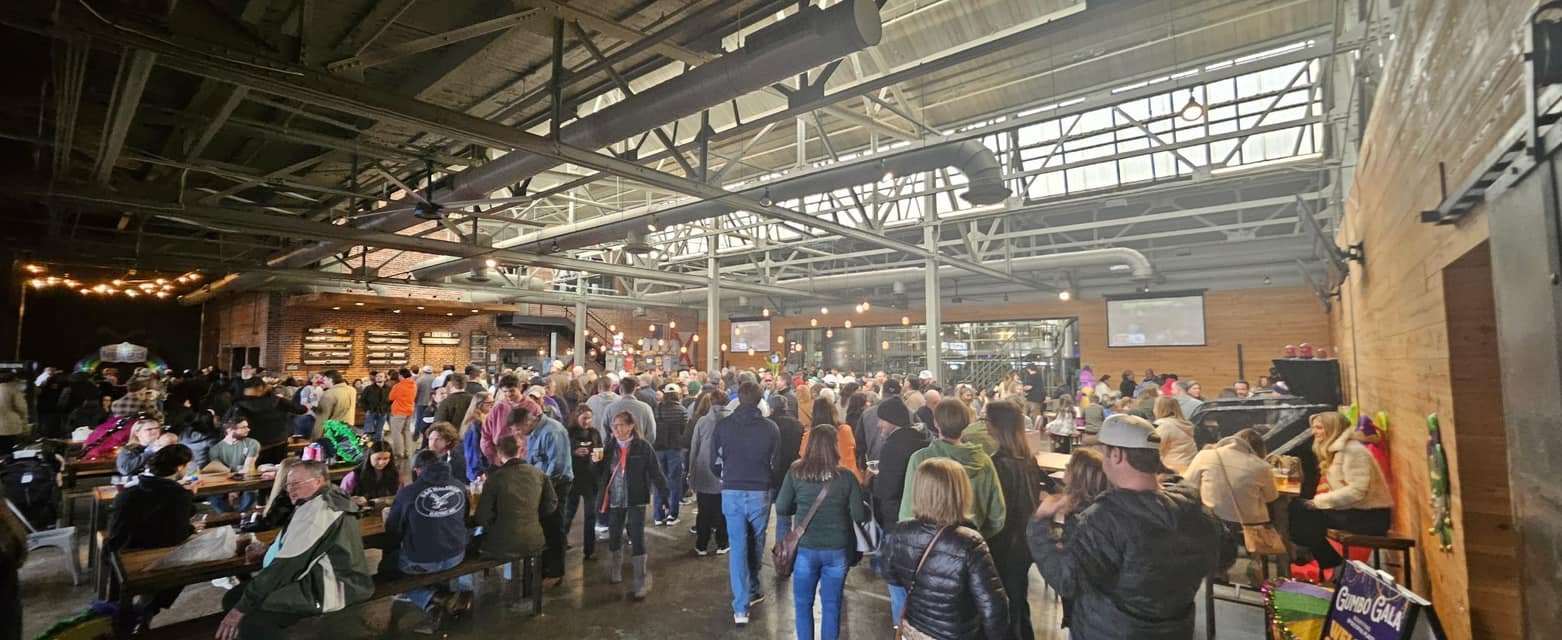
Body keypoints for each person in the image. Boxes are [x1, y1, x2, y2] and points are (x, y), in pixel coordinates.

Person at [1027, 415, 1225, 639]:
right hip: (1176, 630)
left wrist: (1039, 524)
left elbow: (1066, 579)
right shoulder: (1194, 508)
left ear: (1117, 455)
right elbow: (1225, 556)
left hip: (1109, 631)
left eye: (1104, 452)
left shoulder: (1105, 518)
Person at [216, 461, 373, 640]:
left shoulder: (317, 511)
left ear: (318, 481)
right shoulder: (331, 496)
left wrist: (239, 610)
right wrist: (268, 549)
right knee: (240, 598)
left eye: (296, 484)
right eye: (288, 484)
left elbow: (285, 567)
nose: (290, 489)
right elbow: (300, 546)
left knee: (245, 608)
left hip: (332, 590)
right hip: (346, 580)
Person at [880, 458, 1008, 639]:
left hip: (915, 631)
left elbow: (889, 573)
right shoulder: (970, 543)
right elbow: (994, 609)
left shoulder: (901, 531)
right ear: (960, 492)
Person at [775, 425, 869, 640]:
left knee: (802, 605)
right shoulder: (846, 477)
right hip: (837, 550)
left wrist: (799, 506)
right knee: (832, 606)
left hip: (805, 549)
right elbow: (858, 515)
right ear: (835, 446)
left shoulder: (796, 472)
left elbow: (781, 508)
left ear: (810, 446)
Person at [710, 382, 780, 626]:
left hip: (731, 490)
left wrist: (726, 477)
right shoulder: (770, 428)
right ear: (761, 400)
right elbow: (777, 462)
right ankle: (753, 586)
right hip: (759, 490)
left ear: (738, 399)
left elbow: (713, 461)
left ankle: (740, 607)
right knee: (757, 540)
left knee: (737, 546)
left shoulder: (723, 426)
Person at [106, 445, 197, 632]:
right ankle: (148, 609)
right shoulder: (178, 494)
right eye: (187, 465)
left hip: (116, 552)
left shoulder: (129, 490)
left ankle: (133, 612)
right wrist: (191, 527)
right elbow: (174, 536)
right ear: (179, 467)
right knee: (189, 563)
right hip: (147, 556)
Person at [1288, 412, 1393, 571]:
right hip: (1354, 511)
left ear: (1333, 428)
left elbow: (1357, 491)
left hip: (1371, 516)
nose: (1314, 432)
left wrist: (1318, 503)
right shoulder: (1337, 451)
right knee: (1298, 510)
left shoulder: (1352, 451)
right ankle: (1329, 562)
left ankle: (1333, 564)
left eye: (1319, 428)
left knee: (1302, 513)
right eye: (1313, 428)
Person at [387, 450, 472, 633]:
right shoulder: (459, 486)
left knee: (389, 571)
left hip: (423, 562)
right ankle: (435, 605)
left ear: (418, 470)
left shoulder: (408, 493)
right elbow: (465, 518)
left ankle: (436, 597)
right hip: (456, 556)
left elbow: (393, 530)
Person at [898, 401, 1005, 538]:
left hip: (928, 541)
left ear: (936, 423)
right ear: (966, 423)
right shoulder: (984, 461)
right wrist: (975, 536)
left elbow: (907, 512)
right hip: (970, 540)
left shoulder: (920, 459)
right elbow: (997, 515)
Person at [985, 400, 1045, 640]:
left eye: (987, 420)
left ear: (997, 425)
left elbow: (996, 510)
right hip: (1025, 540)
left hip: (1003, 542)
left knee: (1008, 604)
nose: (985, 425)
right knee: (1018, 599)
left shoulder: (996, 464)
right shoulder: (1028, 460)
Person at [476, 434, 557, 606]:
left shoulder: (495, 479)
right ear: (522, 451)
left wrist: (497, 524)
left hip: (501, 544)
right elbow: (551, 505)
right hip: (534, 540)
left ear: (499, 454)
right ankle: (529, 595)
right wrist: (531, 516)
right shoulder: (539, 474)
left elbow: (482, 516)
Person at [1183, 428, 1278, 570]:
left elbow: (1189, 484)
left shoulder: (1206, 455)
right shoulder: (1262, 466)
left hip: (1212, 521)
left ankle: (1214, 571)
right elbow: (1271, 496)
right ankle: (1258, 564)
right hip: (1250, 526)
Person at [596, 411, 666, 600]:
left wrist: (665, 497)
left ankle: (640, 581)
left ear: (631, 426)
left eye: (620, 425)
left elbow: (656, 472)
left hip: (636, 499)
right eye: (614, 426)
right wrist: (594, 463)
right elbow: (600, 474)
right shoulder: (609, 447)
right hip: (615, 498)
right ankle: (615, 569)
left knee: (637, 537)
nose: (616, 429)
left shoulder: (643, 447)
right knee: (614, 534)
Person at [510, 403, 572, 590]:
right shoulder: (533, 433)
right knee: (543, 528)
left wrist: (539, 489)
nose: (518, 434)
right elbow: (532, 460)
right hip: (540, 485)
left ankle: (556, 572)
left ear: (527, 421)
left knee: (554, 527)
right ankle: (543, 568)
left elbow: (557, 466)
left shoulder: (553, 431)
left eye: (518, 429)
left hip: (555, 485)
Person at [1053, 449, 1109, 631]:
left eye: (1069, 465)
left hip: (1083, 610)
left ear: (1079, 476)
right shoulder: (1096, 509)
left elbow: (1069, 574)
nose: (1065, 466)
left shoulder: (1079, 517)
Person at [871, 396, 927, 528]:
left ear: (893, 421)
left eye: (882, 420)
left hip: (896, 518)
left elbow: (888, 489)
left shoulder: (893, 447)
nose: (878, 424)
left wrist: (875, 480)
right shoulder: (921, 439)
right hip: (920, 512)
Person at [688, 392, 732, 555]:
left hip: (704, 471)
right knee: (723, 511)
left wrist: (691, 472)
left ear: (711, 402)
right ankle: (722, 543)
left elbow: (694, 448)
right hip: (727, 473)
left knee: (704, 511)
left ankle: (701, 545)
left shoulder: (703, 421)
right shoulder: (734, 421)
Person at [765, 395, 805, 547]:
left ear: (771, 408)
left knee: (762, 515)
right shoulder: (797, 424)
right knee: (784, 515)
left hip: (769, 473)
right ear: (786, 407)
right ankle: (784, 551)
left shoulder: (766, 424)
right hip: (790, 473)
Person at [564, 406, 603, 560]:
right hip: (573, 479)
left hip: (590, 479)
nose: (587, 421)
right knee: (568, 513)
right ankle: (560, 543)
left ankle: (589, 549)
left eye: (589, 418)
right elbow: (562, 452)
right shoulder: (568, 433)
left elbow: (600, 449)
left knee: (590, 515)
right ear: (577, 417)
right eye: (584, 418)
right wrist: (574, 452)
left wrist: (597, 456)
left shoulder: (594, 433)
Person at [799, 397, 863, 483]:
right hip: (848, 477)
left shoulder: (808, 436)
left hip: (820, 480)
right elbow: (853, 449)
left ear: (814, 414)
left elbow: (802, 455)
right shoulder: (845, 430)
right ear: (834, 412)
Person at [652, 384, 689, 526]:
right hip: (675, 449)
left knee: (659, 481)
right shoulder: (682, 410)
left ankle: (658, 515)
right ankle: (672, 515)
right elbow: (684, 431)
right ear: (678, 395)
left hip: (658, 449)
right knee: (674, 482)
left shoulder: (657, 409)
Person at [208, 418, 262, 512]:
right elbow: (220, 472)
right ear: (229, 430)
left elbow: (247, 468)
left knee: (251, 492)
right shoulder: (215, 449)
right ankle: (226, 517)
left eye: (247, 426)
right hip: (225, 483)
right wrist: (230, 489)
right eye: (243, 427)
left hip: (245, 481)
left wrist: (236, 489)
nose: (248, 429)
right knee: (214, 496)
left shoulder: (252, 443)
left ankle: (241, 516)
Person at [480, 375, 526, 465]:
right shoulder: (497, 409)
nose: (508, 394)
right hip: (500, 460)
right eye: (505, 391)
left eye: (512, 391)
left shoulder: (532, 408)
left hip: (524, 460)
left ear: (520, 388)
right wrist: (493, 457)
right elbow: (485, 435)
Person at [341, 441, 401, 505]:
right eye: (378, 459)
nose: (381, 462)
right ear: (369, 457)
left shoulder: (394, 474)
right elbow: (340, 500)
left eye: (386, 459)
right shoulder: (353, 476)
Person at [603, 376, 657, 445]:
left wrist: (609, 446)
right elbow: (651, 433)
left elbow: (604, 432)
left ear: (620, 390)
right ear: (634, 389)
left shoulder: (610, 408)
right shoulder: (646, 408)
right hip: (639, 448)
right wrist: (645, 446)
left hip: (616, 448)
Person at [1152, 396, 1198, 473]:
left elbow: (1152, 447)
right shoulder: (1184, 423)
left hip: (1173, 468)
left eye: (1154, 407)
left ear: (1159, 409)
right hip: (1190, 466)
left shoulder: (1163, 424)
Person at [458, 391, 493, 484]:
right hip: (478, 471)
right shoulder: (475, 422)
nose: (492, 405)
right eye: (489, 403)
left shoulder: (483, 419)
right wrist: (478, 472)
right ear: (479, 404)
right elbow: (473, 450)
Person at [313, 370, 356, 436]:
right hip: (349, 429)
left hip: (333, 431)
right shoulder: (352, 390)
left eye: (324, 380)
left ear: (330, 379)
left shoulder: (329, 394)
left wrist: (316, 437)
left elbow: (322, 418)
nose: (323, 382)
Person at [388, 369, 418, 460]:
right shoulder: (414, 385)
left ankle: (399, 453)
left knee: (397, 433)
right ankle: (408, 452)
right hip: (409, 410)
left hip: (399, 411)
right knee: (406, 432)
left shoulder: (398, 386)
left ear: (401, 376)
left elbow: (391, 397)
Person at [359, 371, 391, 443]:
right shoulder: (369, 388)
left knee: (379, 430)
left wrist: (387, 409)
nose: (378, 378)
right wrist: (366, 409)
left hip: (383, 411)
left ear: (385, 378)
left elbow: (391, 400)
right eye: (377, 376)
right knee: (367, 429)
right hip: (371, 411)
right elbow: (362, 400)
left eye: (380, 376)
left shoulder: (388, 389)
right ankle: (363, 444)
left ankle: (376, 445)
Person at [0, 374, 28, 454]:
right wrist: (25, 422)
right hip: (9, 425)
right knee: (8, 449)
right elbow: (21, 407)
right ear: (12, 381)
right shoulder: (13, 390)